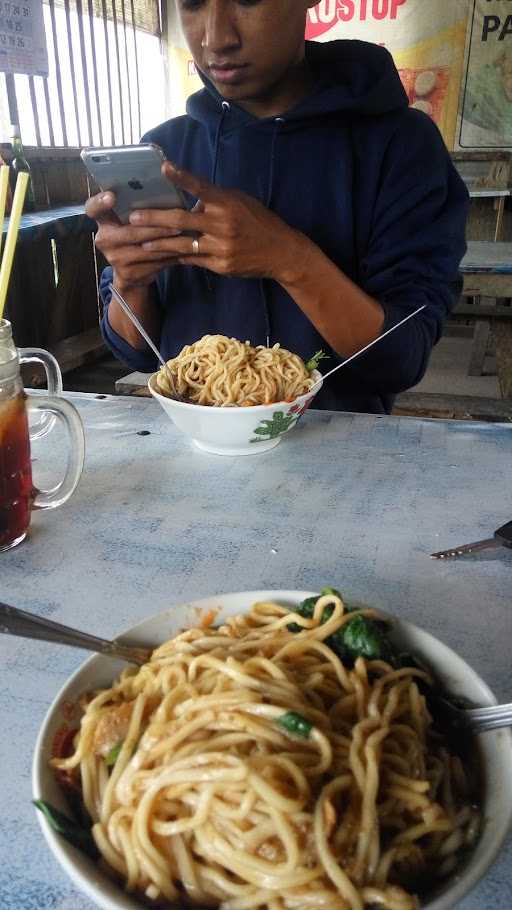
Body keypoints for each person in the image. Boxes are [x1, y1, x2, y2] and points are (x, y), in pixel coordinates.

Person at [89, 0, 469, 414]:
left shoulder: (400, 146)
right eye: (192, 4)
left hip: (339, 455)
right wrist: (130, 282)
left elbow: (402, 357)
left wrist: (290, 259)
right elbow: (140, 355)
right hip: (190, 452)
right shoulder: (168, 152)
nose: (216, 38)